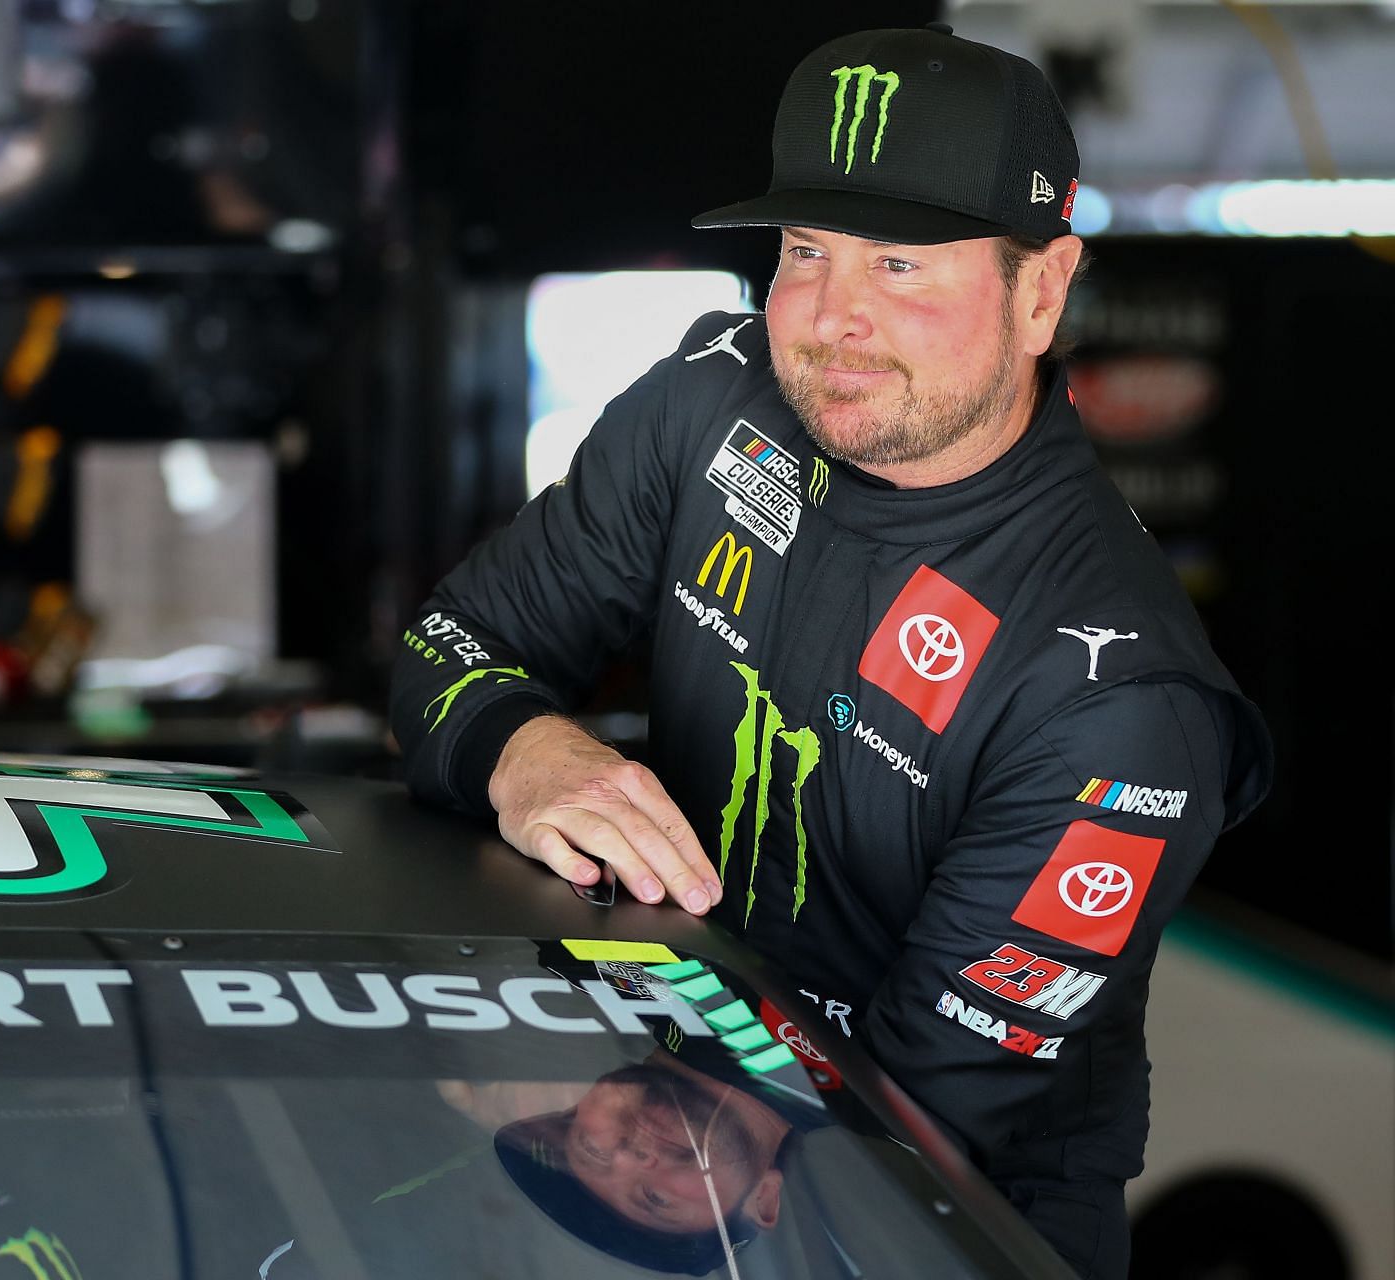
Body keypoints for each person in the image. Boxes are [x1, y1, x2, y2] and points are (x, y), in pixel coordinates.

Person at [388, 22, 1273, 1280]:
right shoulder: (712, 399)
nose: (832, 316)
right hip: (668, 1118)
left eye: (902, 264)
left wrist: (614, 1112)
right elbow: (448, 646)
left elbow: (898, 1131)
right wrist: (524, 749)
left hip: (936, 1211)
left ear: (1041, 290)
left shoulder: (1119, 698)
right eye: (806, 249)